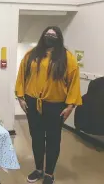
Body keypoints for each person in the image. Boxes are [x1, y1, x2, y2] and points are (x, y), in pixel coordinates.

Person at [15, 26, 82, 184]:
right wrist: (20, 97)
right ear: (42, 36)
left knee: (53, 140)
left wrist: (70, 106)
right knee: (37, 137)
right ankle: (38, 169)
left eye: (53, 34)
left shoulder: (67, 57)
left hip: (55, 106)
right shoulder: (31, 55)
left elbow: (74, 82)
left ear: (58, 38)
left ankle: (49, 174)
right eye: (47, 34)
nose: (49, 36)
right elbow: (21, 76)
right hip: (32, 103)